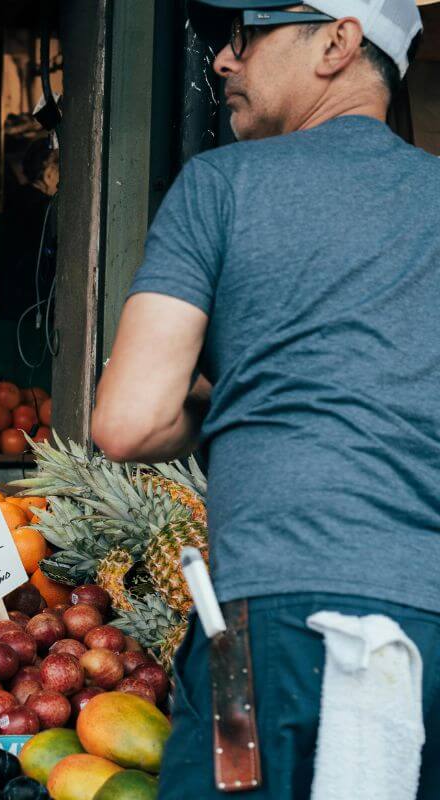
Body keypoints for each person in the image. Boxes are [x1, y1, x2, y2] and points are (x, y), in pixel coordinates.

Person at [91, 1, 439, 797]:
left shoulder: (222, 184)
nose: (223, 60)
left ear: (338, 43)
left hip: (275, 622)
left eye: (248, 36)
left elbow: (127, 420)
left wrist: (252, 394)